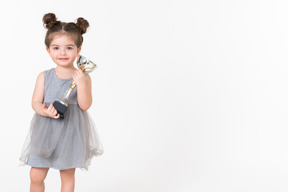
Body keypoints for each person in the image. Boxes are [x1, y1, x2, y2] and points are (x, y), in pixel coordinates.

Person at [19, 13, 103, 192]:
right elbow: (35, 102)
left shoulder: (83, 77)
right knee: (36, 175)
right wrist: (44, 111)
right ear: (48, 50)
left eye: (69, 48)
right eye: (56, 48)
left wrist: (81, 84)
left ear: (78, 50)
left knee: (66, 175)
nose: (62, 53)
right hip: (45, 132)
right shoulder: (44, 76)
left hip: (70, 132)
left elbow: (85, 105)